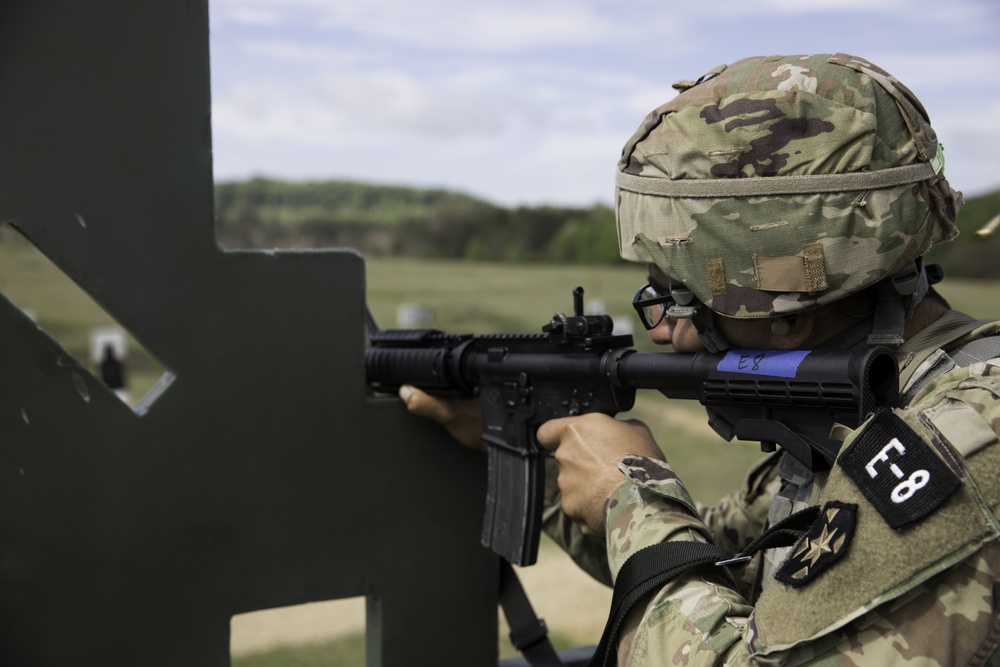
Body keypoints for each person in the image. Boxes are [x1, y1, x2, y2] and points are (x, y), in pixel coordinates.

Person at [400, 53, 1000, 665]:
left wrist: (632, 500)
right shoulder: (874, 417)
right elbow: (719, 567)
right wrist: (534, 450)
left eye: (675, 298)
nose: (665, 336)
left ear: (786, 313)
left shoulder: (963, 452)